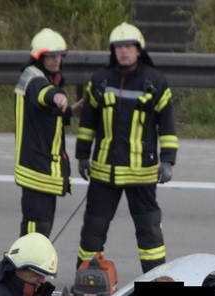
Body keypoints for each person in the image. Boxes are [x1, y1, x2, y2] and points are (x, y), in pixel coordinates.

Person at [75, 22, 178, 274]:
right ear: (113, 51)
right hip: (103, 173)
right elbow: (88, 123)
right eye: (118, 47)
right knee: (92, 232)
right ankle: (86, 284)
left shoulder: (155, 81)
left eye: (128, 46)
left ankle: (157, 284)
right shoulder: (99, 81)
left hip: (141, 174)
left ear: (139, 50)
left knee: (150, 234)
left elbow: (167, 126)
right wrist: (82, 156)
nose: (123, 51)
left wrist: (168, 161)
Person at [14, 28, 83, 237]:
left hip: (41, 169)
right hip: (37, 170)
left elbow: (42, 117)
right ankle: (26, 270)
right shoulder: (35, 79)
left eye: (58, 56)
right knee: (35, 233)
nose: (55, 60)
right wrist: (58, 96)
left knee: (40, 231)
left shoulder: (42, 76)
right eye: (50, 56)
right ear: (39, 57)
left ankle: (33, 269)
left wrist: (70, 111)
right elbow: (43, 94)